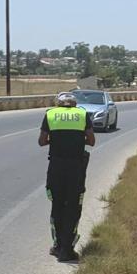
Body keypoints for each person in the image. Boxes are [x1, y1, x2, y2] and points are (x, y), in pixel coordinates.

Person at [38, 92, 96, 261]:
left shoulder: (50, 114)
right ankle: (67, 249)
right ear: (74, 104)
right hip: (75, 168)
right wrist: (77, 141)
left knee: (57, 206)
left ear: (58, 103)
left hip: (56, 168)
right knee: (73, 207)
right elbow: (91, 141)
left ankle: (57, 246)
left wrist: (56, 141)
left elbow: (41, 141)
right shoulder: (82, 114)